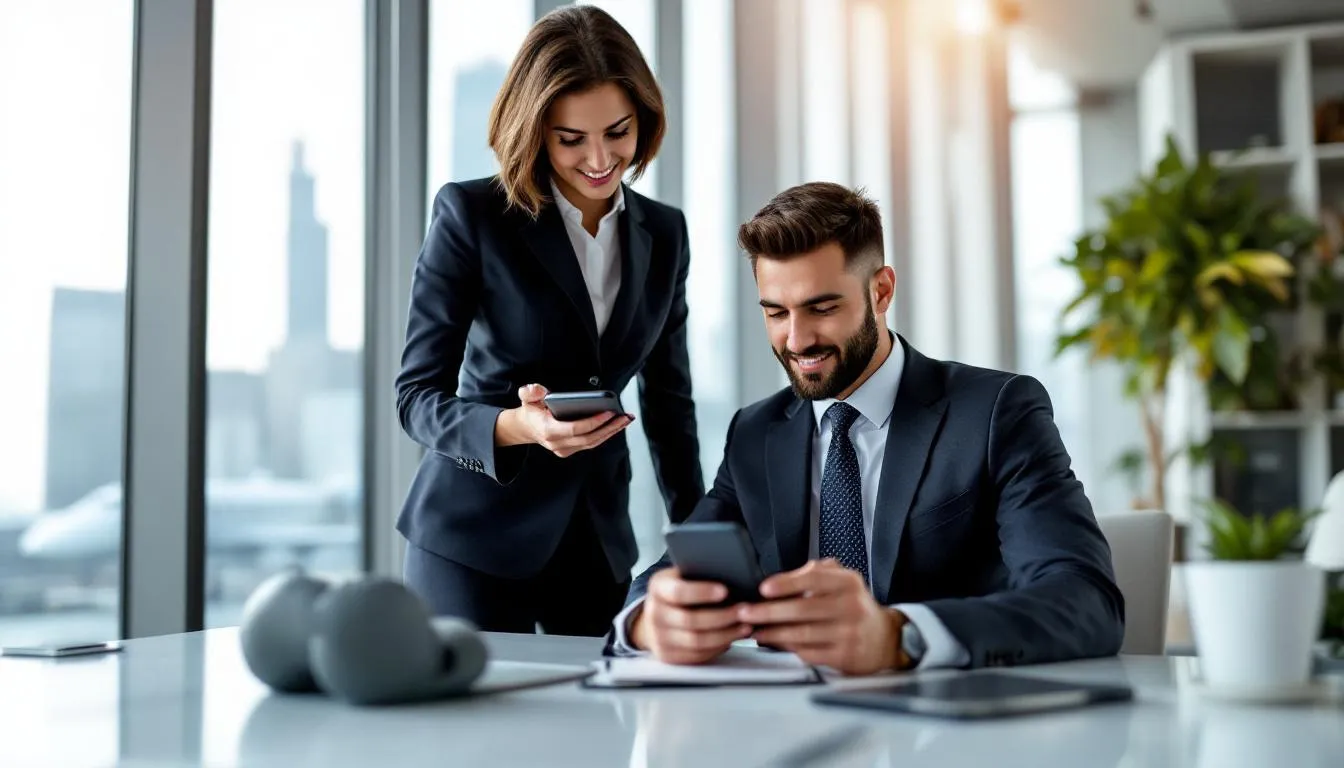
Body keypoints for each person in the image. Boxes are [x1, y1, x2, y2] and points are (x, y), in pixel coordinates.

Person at [611, 182, 1124, 673]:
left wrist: (897, 636)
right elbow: (666, 576)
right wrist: (648, 623)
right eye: (776, 313)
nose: (797, 339)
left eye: (823, 308)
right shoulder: (756, 432)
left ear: (881, 291)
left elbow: (1084, 600)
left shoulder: (996, 412)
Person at [396, 5, 703, 636]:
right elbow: (415, 399)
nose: (599, 158)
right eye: (571, 139)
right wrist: (516, 426)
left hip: (597, 547)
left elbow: (670, 406)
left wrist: (700, 540)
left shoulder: (664, 234)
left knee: (598, 731)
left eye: (618, 132)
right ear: (535, 129)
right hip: (471, 543)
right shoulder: (472, 216)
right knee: (469, 734)